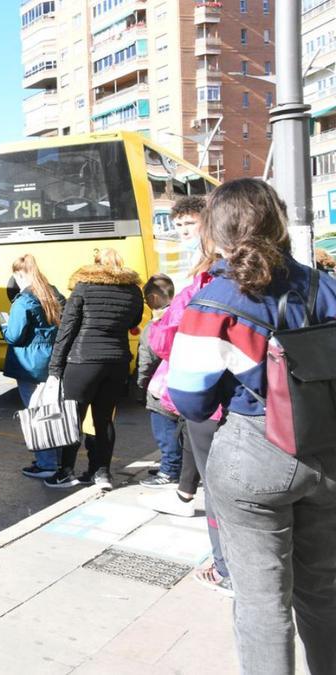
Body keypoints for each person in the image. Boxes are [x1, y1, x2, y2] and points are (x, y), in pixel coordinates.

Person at [166, 178, 336, 675]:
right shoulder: (323, 286)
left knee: (262, 604)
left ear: (215, 231)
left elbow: (189, 399)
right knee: (324, 592)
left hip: (255, 455)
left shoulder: (215, 300)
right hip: (327, 450)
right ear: (278, 222)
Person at [140, 196, 230, 595]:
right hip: (248, 400)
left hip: (211, 396)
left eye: (189, 225)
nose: (183, 233)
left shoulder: (203, 282)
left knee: (219, 486)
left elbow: (165, 340)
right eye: (178, 227)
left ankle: (226, 567)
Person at [44, 248, 144, 489]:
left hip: (83, 360)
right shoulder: (133, 290)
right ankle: (102, 473)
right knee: (104, 419)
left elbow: (67, 329)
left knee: (72, 418)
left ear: (96, 263)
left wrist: (55, 369)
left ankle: (65, 471)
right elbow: (134, 321)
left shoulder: (83, 287)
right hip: (117, 361)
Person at [1, 254, 65, 479]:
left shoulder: (23, 301)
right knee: (53, 412)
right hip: (54, 360)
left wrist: (3, 326)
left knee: (36, 414)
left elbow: (15, 335)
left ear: (20, 274)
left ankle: (46, 464)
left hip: (30, 364)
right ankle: (58, 460)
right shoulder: (54, 294)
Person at [135, 274, 182, 487]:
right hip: (184, 384)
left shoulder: (156, 324)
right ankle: (176, 465)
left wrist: (141, 385)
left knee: (165, 430)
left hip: (161, 387)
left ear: (153, 298)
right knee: (181, 431)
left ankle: (169, 471)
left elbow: (146, 360)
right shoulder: (184, 315)